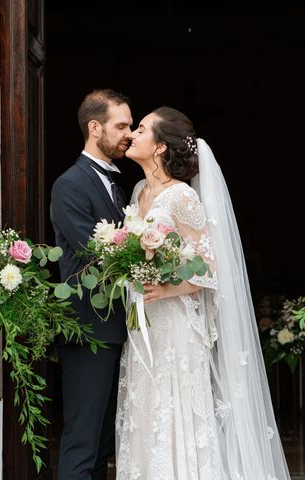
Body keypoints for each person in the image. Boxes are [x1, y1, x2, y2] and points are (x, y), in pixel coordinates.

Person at [116, 106, 290, 479]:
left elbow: (211, 270)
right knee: (145, 414)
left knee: (175, 413)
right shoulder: (138, 191)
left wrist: (166, 287)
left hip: (176, 328)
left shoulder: (181, 198)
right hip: (144, 323)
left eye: (142, 129)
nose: (133, 134)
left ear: (161, 147)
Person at [50, 89, 132, 480]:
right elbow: (92, 252)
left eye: (131, 126)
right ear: (94, 127)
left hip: (113, 329)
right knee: (83, 441)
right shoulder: (70, 185)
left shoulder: (114, 183)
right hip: (87, 330)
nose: (128, 134)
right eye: (121, 126)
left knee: (103, 443)